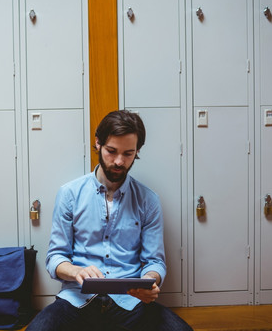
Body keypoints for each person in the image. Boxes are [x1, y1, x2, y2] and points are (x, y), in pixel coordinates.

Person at [26, 110, 192, 331]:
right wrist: (76, 272)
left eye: (128, 154)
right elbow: (55, 258)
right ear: (98, 144)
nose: (119, 161)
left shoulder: (148, 200)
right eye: (111, 151)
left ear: (137, 152)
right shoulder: (69, 194)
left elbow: (155, 262)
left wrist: (151, 281)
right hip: (77, 300)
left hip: (132, 303)